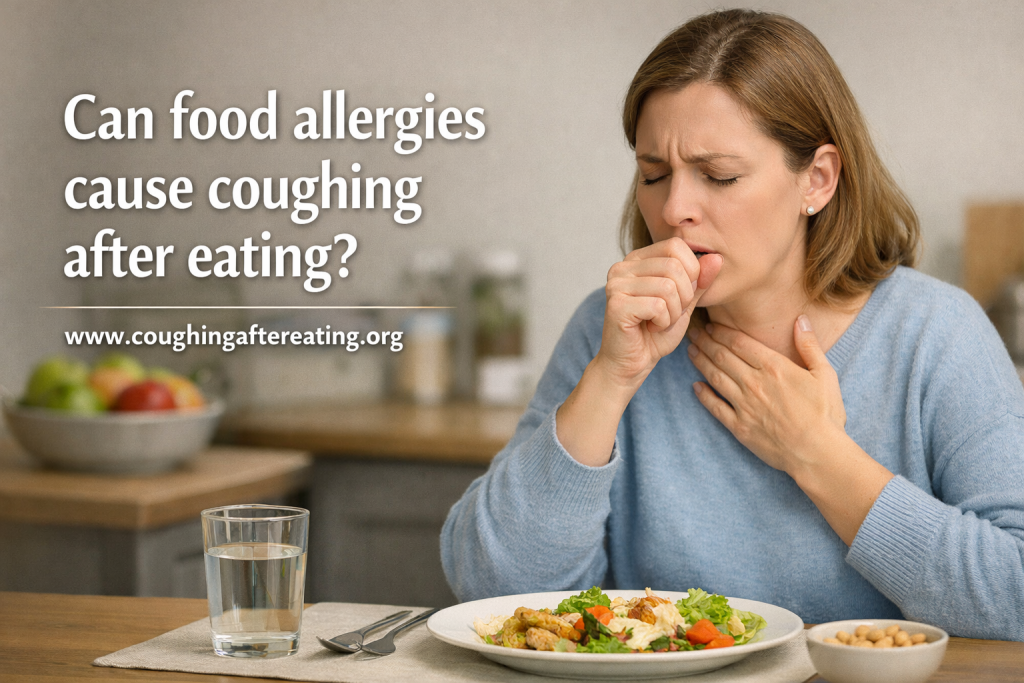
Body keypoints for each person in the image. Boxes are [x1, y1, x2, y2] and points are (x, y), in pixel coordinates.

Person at [440, 9, 1024, 640]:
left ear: (818, 180)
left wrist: (819, 456)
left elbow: (1015, 597)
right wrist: (611, 380)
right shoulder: (610, 330)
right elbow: (491, 591)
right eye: (653, 174)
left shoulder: (936, 335)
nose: (674, 209)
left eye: (719, 176)